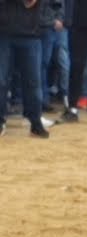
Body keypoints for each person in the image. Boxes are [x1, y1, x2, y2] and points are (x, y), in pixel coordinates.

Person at [1, 0, 50, 137]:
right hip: (3, 32)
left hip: (31, 32)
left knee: (33, 81)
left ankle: (35, 122)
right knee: (1, 80)